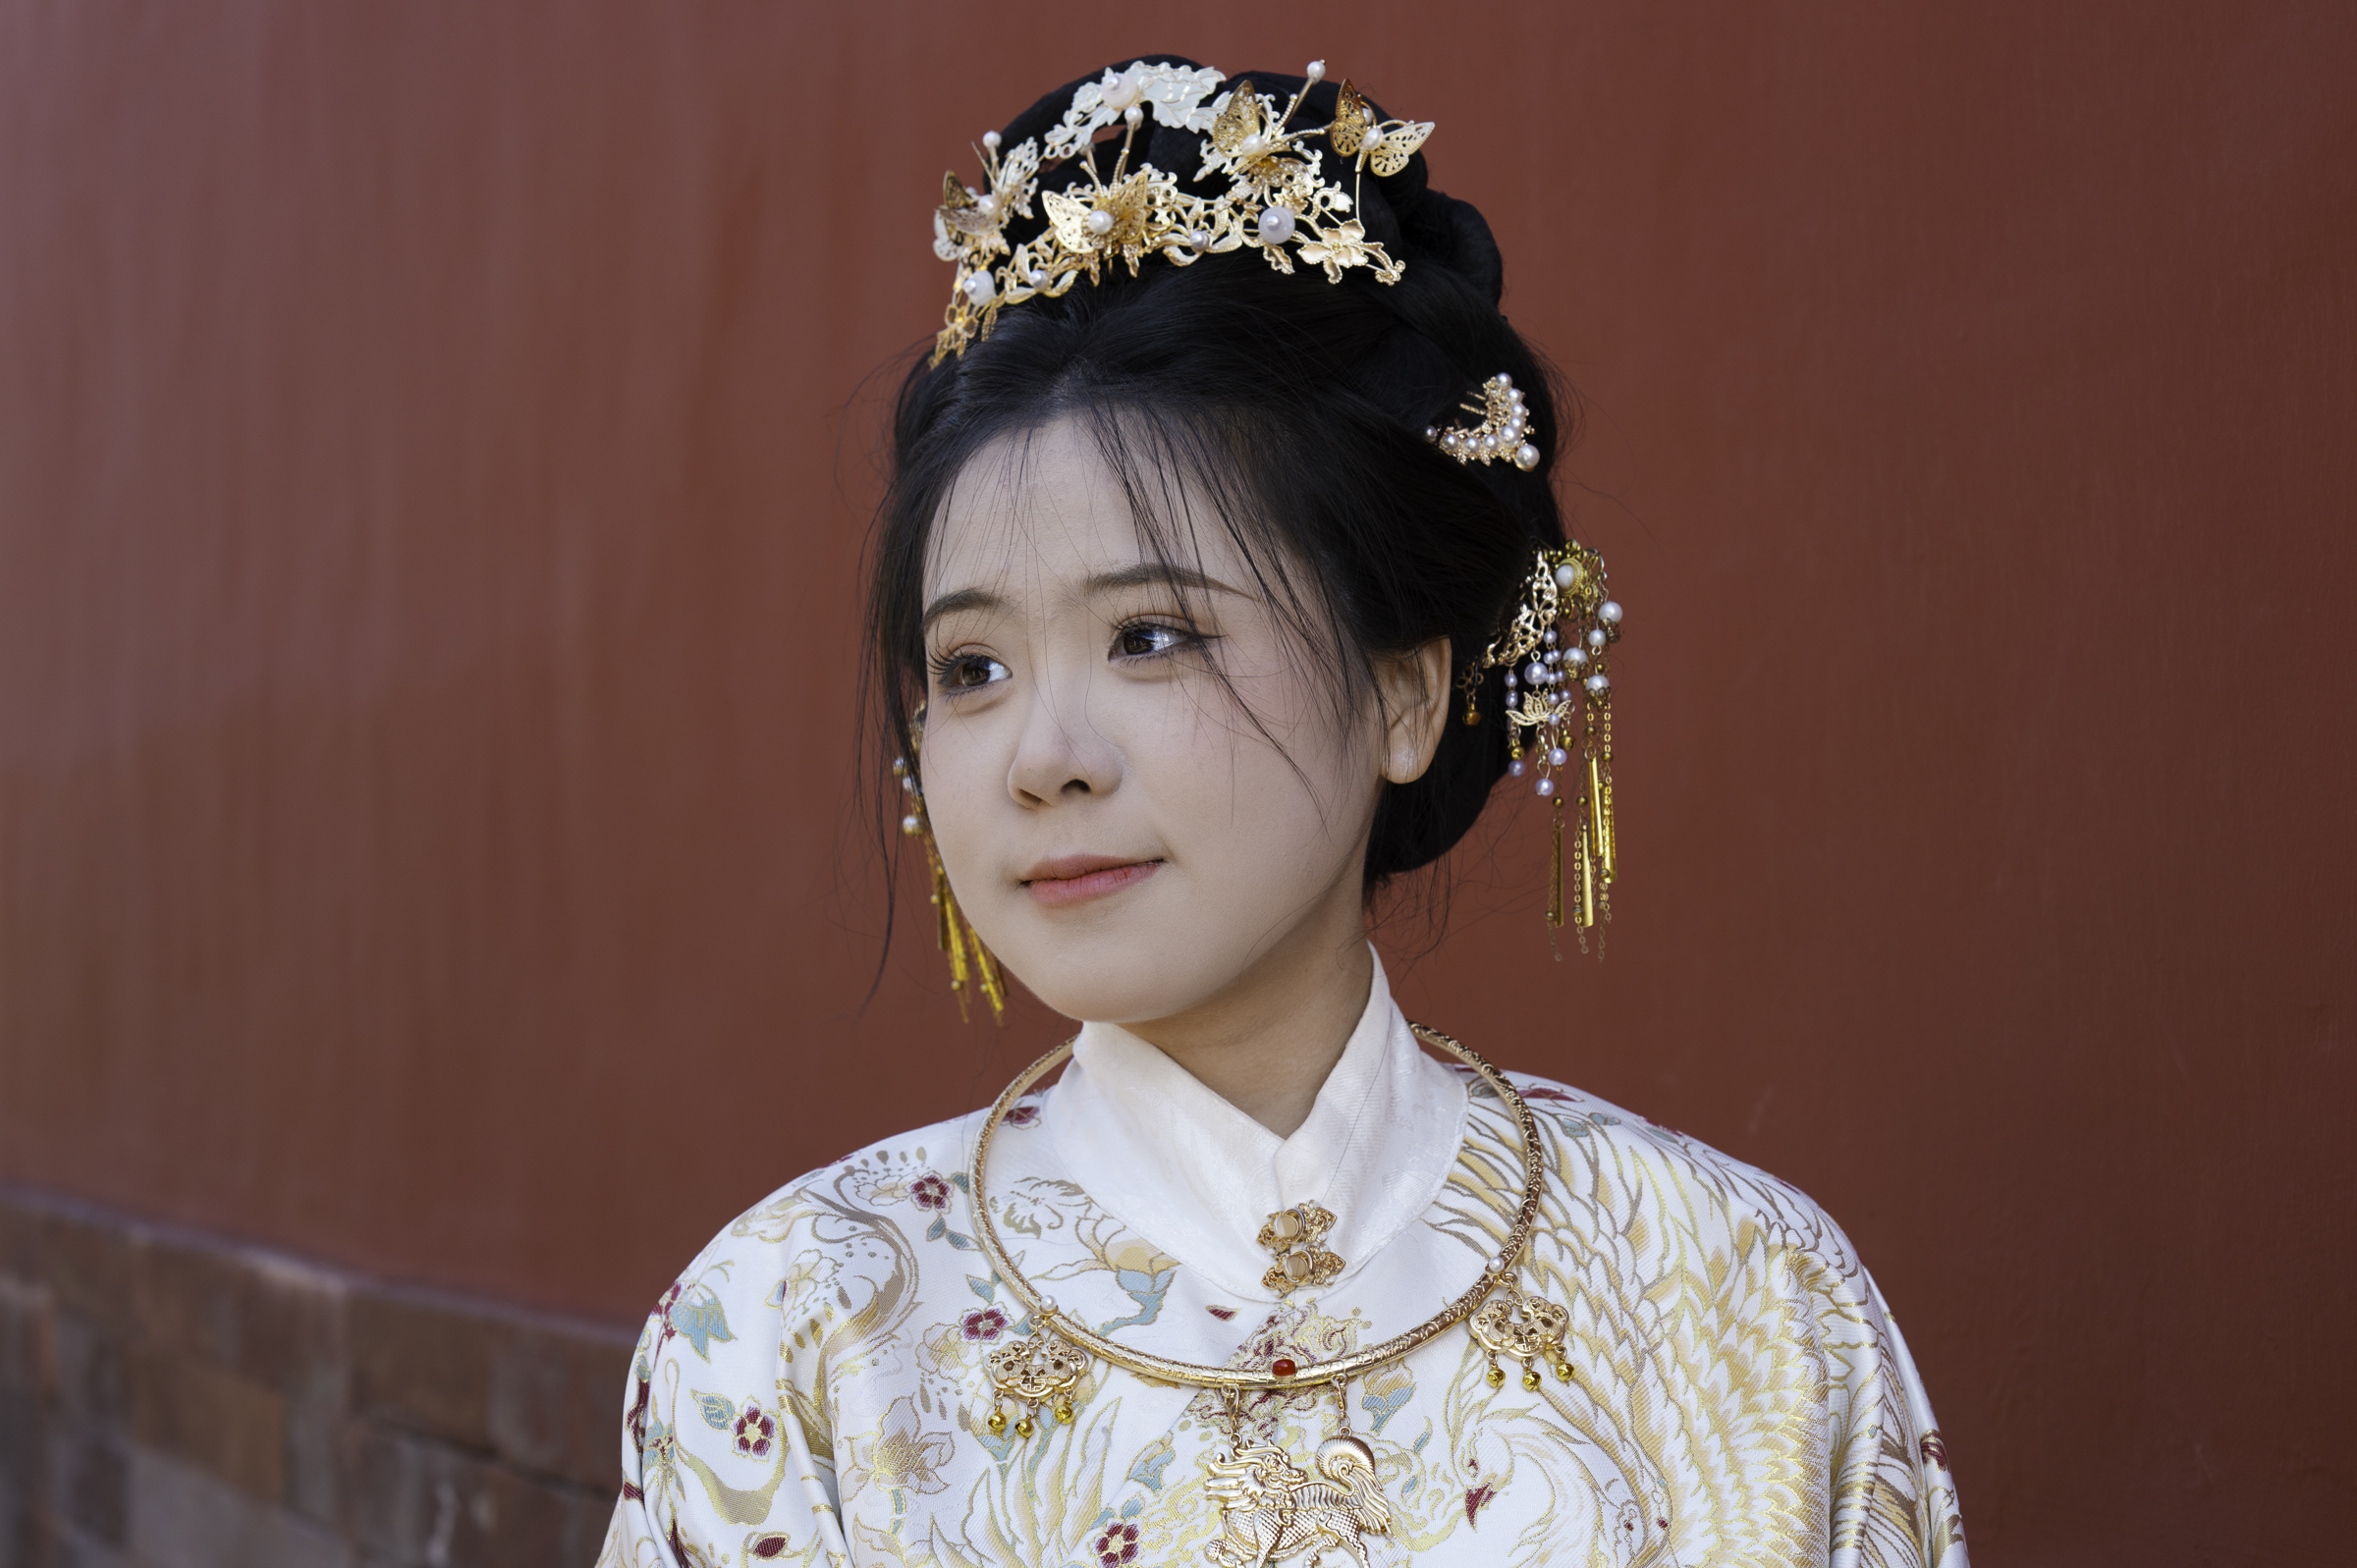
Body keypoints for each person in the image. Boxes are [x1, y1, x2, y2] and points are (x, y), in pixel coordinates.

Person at [598, 55, 1965, 1568]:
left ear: (1402, 693)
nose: (1042, 755)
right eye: (972, 665)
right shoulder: (799, 1335)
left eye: (1150, 636)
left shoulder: (1743, 1300)